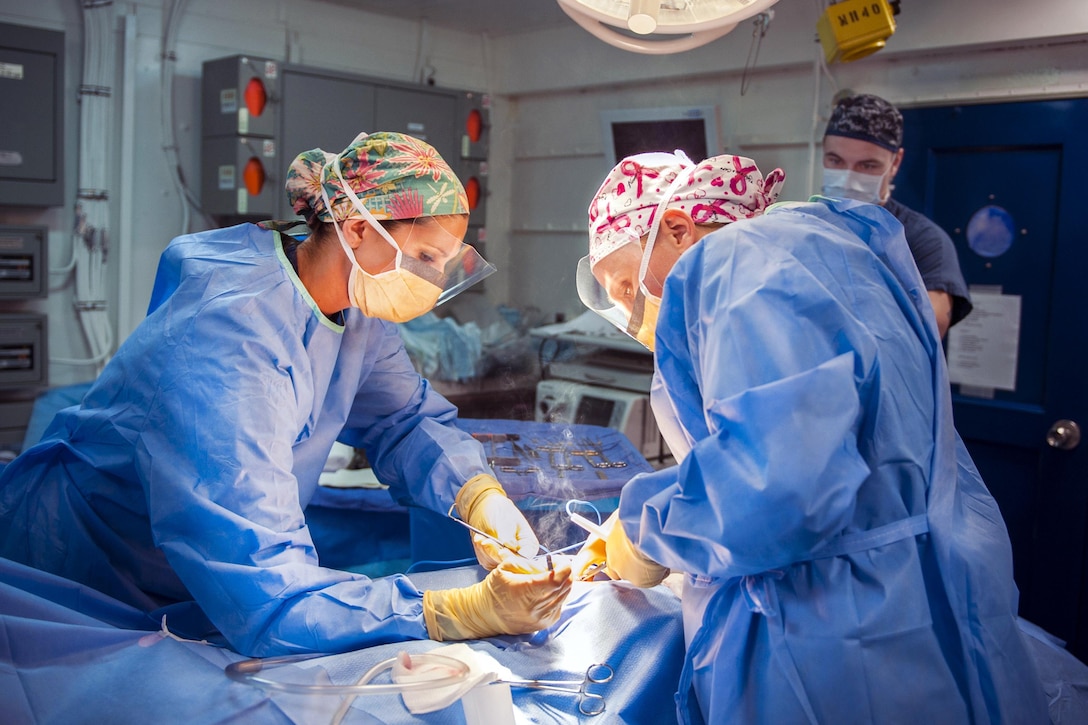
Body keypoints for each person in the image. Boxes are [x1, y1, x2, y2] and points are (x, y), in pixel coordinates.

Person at [0, 131, 571, 657]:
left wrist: (477, 496)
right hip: (81, 572)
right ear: (356, 228)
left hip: (190, 574)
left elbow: (404, 420)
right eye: (424, 257)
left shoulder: (355, 307)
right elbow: (267, 593)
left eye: (446, 265)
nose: (432, 283)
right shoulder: (228, 339)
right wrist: (455, 610)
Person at [573, 151, 1048, 723]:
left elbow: (776, 489)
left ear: (677, 228)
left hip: (836, 639)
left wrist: (643, 528)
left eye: (626, 286)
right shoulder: (830, 254)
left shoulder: (734, 265)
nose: (628, 313)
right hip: (924, 602)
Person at [821, 92, 972, 338]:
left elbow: (931, 325)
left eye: (867, 166)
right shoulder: (803, 224)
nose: (848, 177)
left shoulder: (923, 240)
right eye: (835, 160)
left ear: (895, 162)